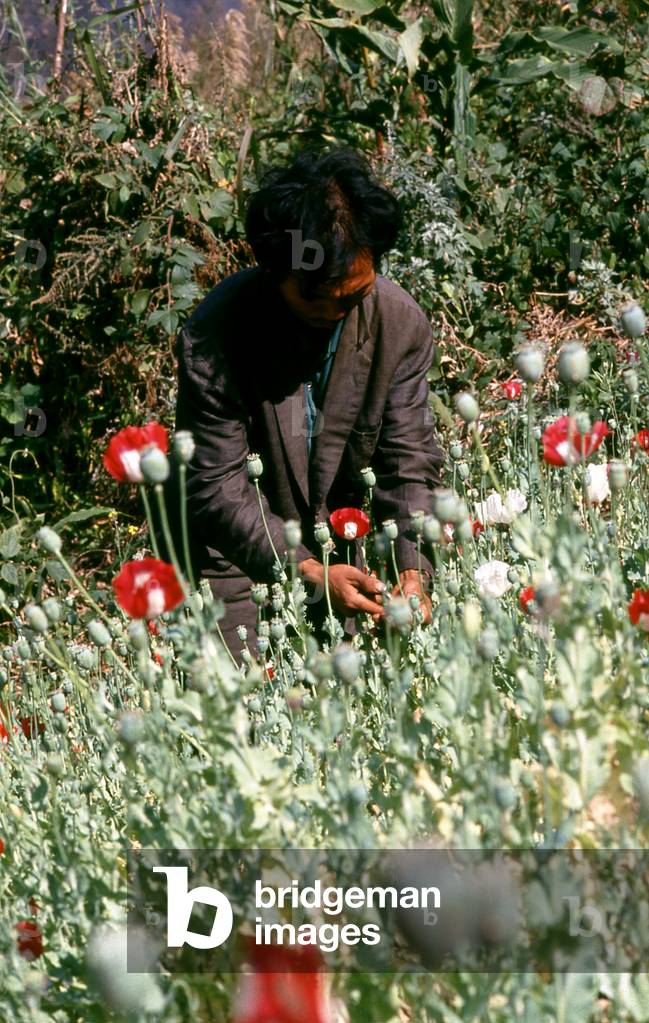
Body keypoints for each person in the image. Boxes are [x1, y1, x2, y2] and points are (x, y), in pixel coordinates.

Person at [163, 146, 445, 658]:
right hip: (234, 562)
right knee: (241, 706)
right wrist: (309, 571)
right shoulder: (217, 334)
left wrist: (411, 570)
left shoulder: (399, 325)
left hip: (351, 554)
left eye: (353, 297)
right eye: (318, 298)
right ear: (276, 273)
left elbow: (407, 463)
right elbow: (218, 487)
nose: (337, 312)